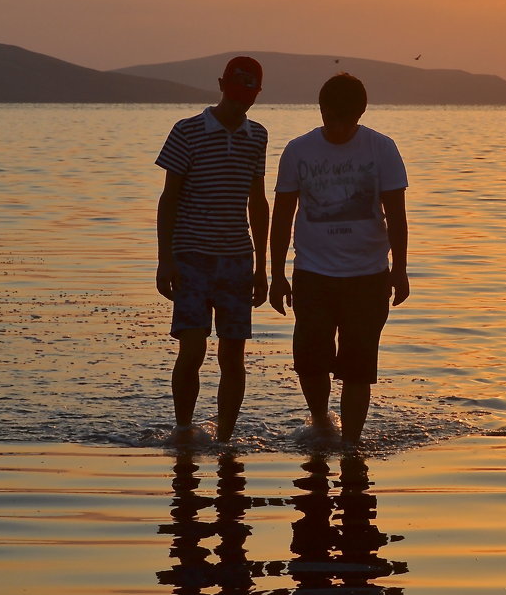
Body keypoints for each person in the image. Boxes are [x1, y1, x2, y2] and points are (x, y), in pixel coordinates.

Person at [269, 73, 409, 445]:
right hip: (313, 273)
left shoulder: (382, 149)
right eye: (330, 119)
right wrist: (276, 274)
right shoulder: (299, 150)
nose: (336, 129)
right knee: (310, 361)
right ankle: (320, 421)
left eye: (345, 122)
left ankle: (351, 444)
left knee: (358, 368)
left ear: (359, 115)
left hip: (368, 275)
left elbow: (396, 213)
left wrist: (400, 269)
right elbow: (282, 215)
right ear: (321, 110)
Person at [155, 56, 269, 443]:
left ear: (257, 94)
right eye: (236, 93)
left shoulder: (258, 136)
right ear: (221, 85)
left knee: (233, 357)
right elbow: (169, 198)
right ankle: (184, 430)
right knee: (192, 349)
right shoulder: (187, 131)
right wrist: (165, 259)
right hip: (191, 257)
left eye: (248, 94)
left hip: (238, 258)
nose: (241, 102)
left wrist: (262, 268)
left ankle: (225, 440)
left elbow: (258, 202)